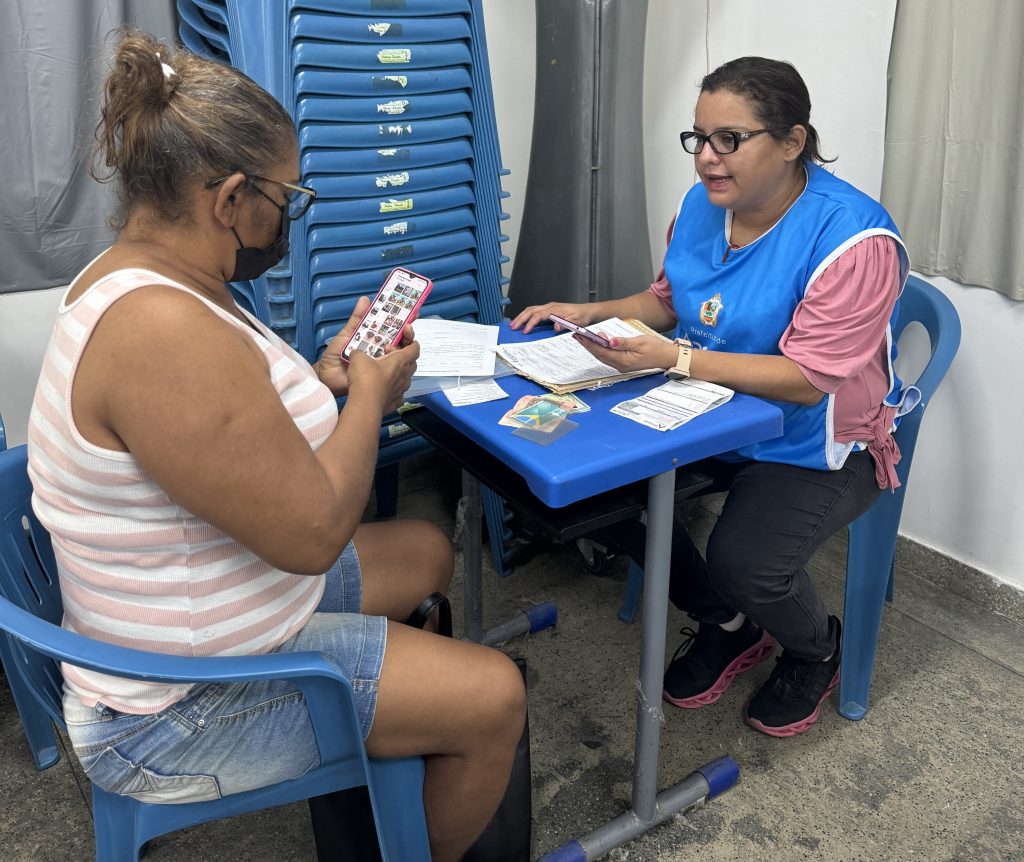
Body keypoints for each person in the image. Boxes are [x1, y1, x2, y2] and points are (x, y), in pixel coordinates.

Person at [26, 29, 525, 862]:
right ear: (228, 198)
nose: (287, 216)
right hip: (176, 706)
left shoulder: (146, 272)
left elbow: (216, 428)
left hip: (203, 607)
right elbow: (312, 535)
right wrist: (370, 397)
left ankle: (396, 750)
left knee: (426, 554)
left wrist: (323, 382)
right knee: (496, 697)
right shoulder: (160, 330)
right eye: (287, 199)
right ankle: (418, 811)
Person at [512, 56, 913, 738]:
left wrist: (679, 359)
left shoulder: (854, 239)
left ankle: (814, 646)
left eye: (730, 139)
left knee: (745, 561)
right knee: (588, 487)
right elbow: (668, 301)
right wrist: (590, 312)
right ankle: (726, 622)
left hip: (817, 440)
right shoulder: (705, 206)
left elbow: (808, 379)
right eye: (697, 137)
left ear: (792, 142)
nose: (706, 158)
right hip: (710, 412)